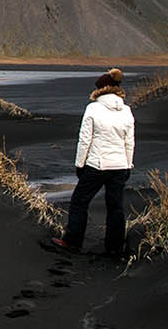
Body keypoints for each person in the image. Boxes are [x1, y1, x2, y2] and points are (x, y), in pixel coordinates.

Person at [51, 68, 134, 257]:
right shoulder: (126, 111)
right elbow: (129, 141)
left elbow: (85, 140)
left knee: (80, 201)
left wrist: (80, 164)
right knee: (115, 207)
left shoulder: (93, 108)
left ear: (100, 89)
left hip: (97, 164)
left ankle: (72, 241)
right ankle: (114, 247)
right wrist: (128, 164)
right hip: (120, 165)